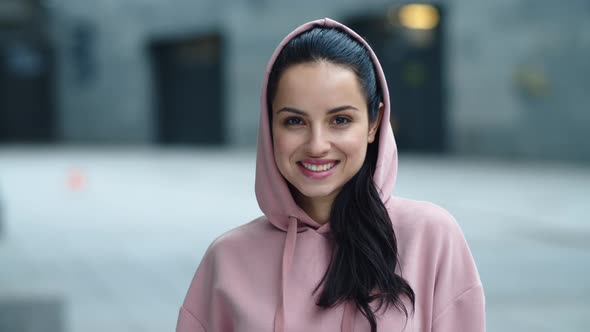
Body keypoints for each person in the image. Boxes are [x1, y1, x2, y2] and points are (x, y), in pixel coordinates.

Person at [176, 18, 485, 332]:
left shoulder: (431, 237)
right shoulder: (227, 259)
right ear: (270, 126)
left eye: (340, 119)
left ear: (374, 123)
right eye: (295, 121)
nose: (317, 145)